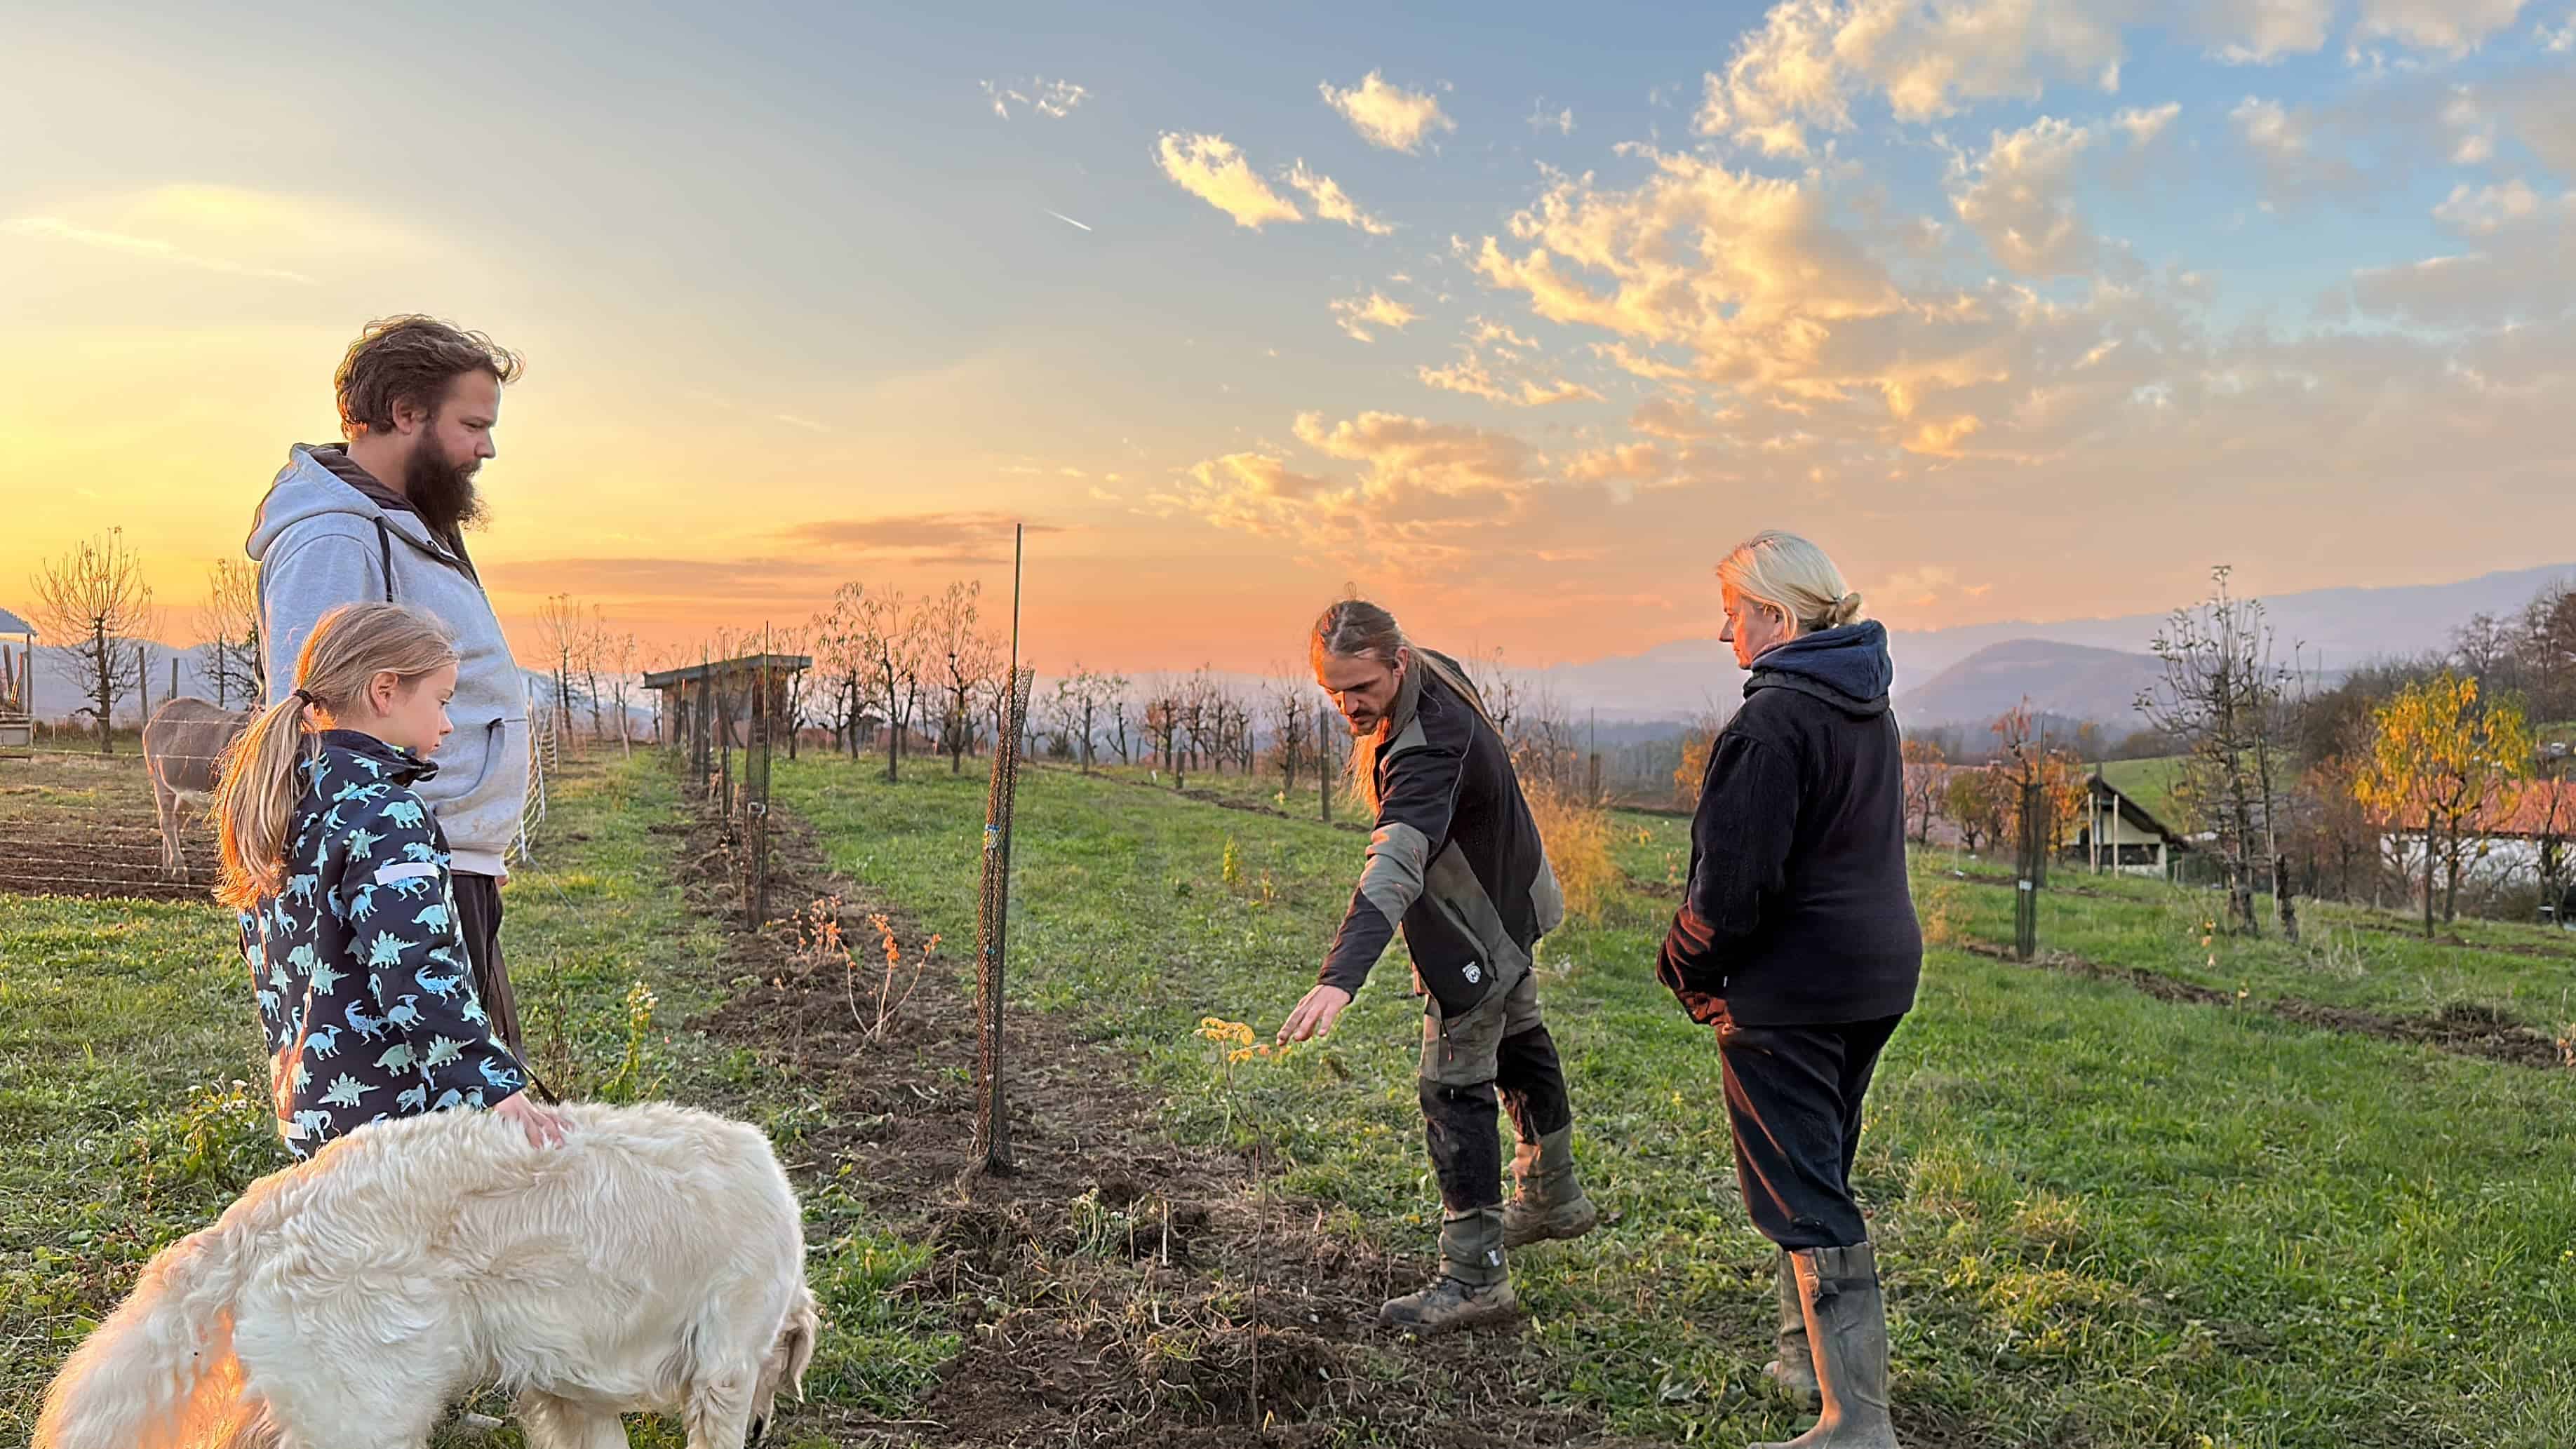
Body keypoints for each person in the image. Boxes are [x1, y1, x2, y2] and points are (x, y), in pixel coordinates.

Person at [1657, 531, 1919, 1449]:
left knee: (1807, 1188)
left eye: (1732, 613)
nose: (1723, 631)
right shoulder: (1863, 700)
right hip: (1874, 975)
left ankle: (1858, 1422)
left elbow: (1732, 887)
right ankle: (1802, 1360)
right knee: (1815, 1162)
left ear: (1775, 614)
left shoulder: (1773, 720)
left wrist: (1685, 963)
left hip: (1795, 988)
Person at [1277, 599, 1596, 1334]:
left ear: (1396, 663)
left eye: (1361, 688)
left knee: (1452, 1083)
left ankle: (1474, 1273)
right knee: (1520, 1037)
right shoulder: (1434, 669)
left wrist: (1340, 974)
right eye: (1332, 689)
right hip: (1514, 895)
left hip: (1481, 922)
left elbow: (1395, 862)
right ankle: (1553, 1193)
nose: (1347, 705)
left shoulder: (1426, 742)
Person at [248, 316, 538, 1068]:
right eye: (472, 423)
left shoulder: (404, 526)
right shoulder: (337, 539)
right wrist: (415, 847)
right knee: (436, 1117)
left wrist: (474, 840)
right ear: (406, 413)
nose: (488, 447)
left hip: (438, 858)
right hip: (398, 875)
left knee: (465, 1118)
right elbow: (318, 727)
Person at [213, 600, 568, 1157]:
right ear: (385, 691)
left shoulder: (282, 801)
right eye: (441, 700)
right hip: (396, 1125)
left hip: (314, 1113)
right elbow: (415, 970)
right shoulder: (387, 813)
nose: (448, 723)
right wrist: (494, 1086)